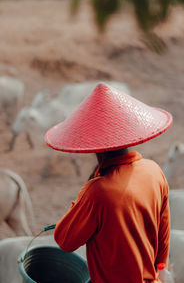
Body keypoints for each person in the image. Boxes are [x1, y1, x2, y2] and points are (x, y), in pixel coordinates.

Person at [45, 82, 173, 283]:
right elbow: (163, 233)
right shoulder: (154, 170)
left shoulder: (97, 191)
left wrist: (83, 196)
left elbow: (64, 241)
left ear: (92, 146)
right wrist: (161, 268)